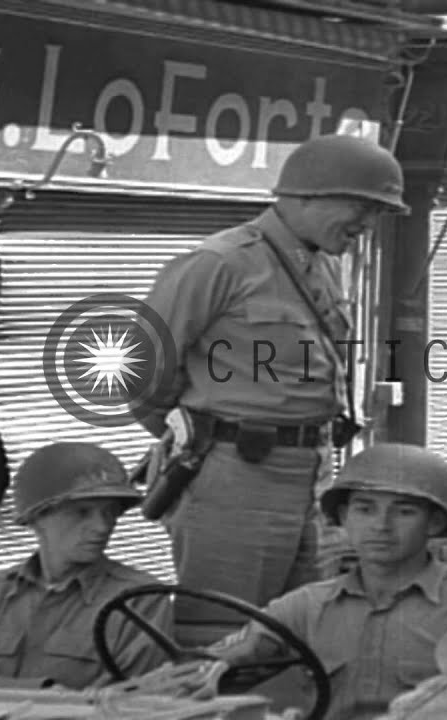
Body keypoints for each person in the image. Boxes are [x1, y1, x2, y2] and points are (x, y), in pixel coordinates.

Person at [137, 133, 410, 643]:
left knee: (308, 633)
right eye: (363, 208)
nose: (368, 226)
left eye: (377, 213)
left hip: (312, 477)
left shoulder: (324, 266)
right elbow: (142, 371)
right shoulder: (218, 263)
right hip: (236, 475)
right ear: (310, 195)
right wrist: (198, 434)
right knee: (222, 637)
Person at [174, 443, 447, 720]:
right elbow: (224, 656)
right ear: (343, 518)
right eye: (365, 509)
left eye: (404, 511)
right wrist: (203, 672)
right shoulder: (306, 606)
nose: (381, 525)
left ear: (436, 524)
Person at [0, 442, 173, 689]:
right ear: (37, 518)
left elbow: (126, 700)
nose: (102, 527)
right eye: (82, 512)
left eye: (109, 513)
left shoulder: (139, 601)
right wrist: (47, 693)